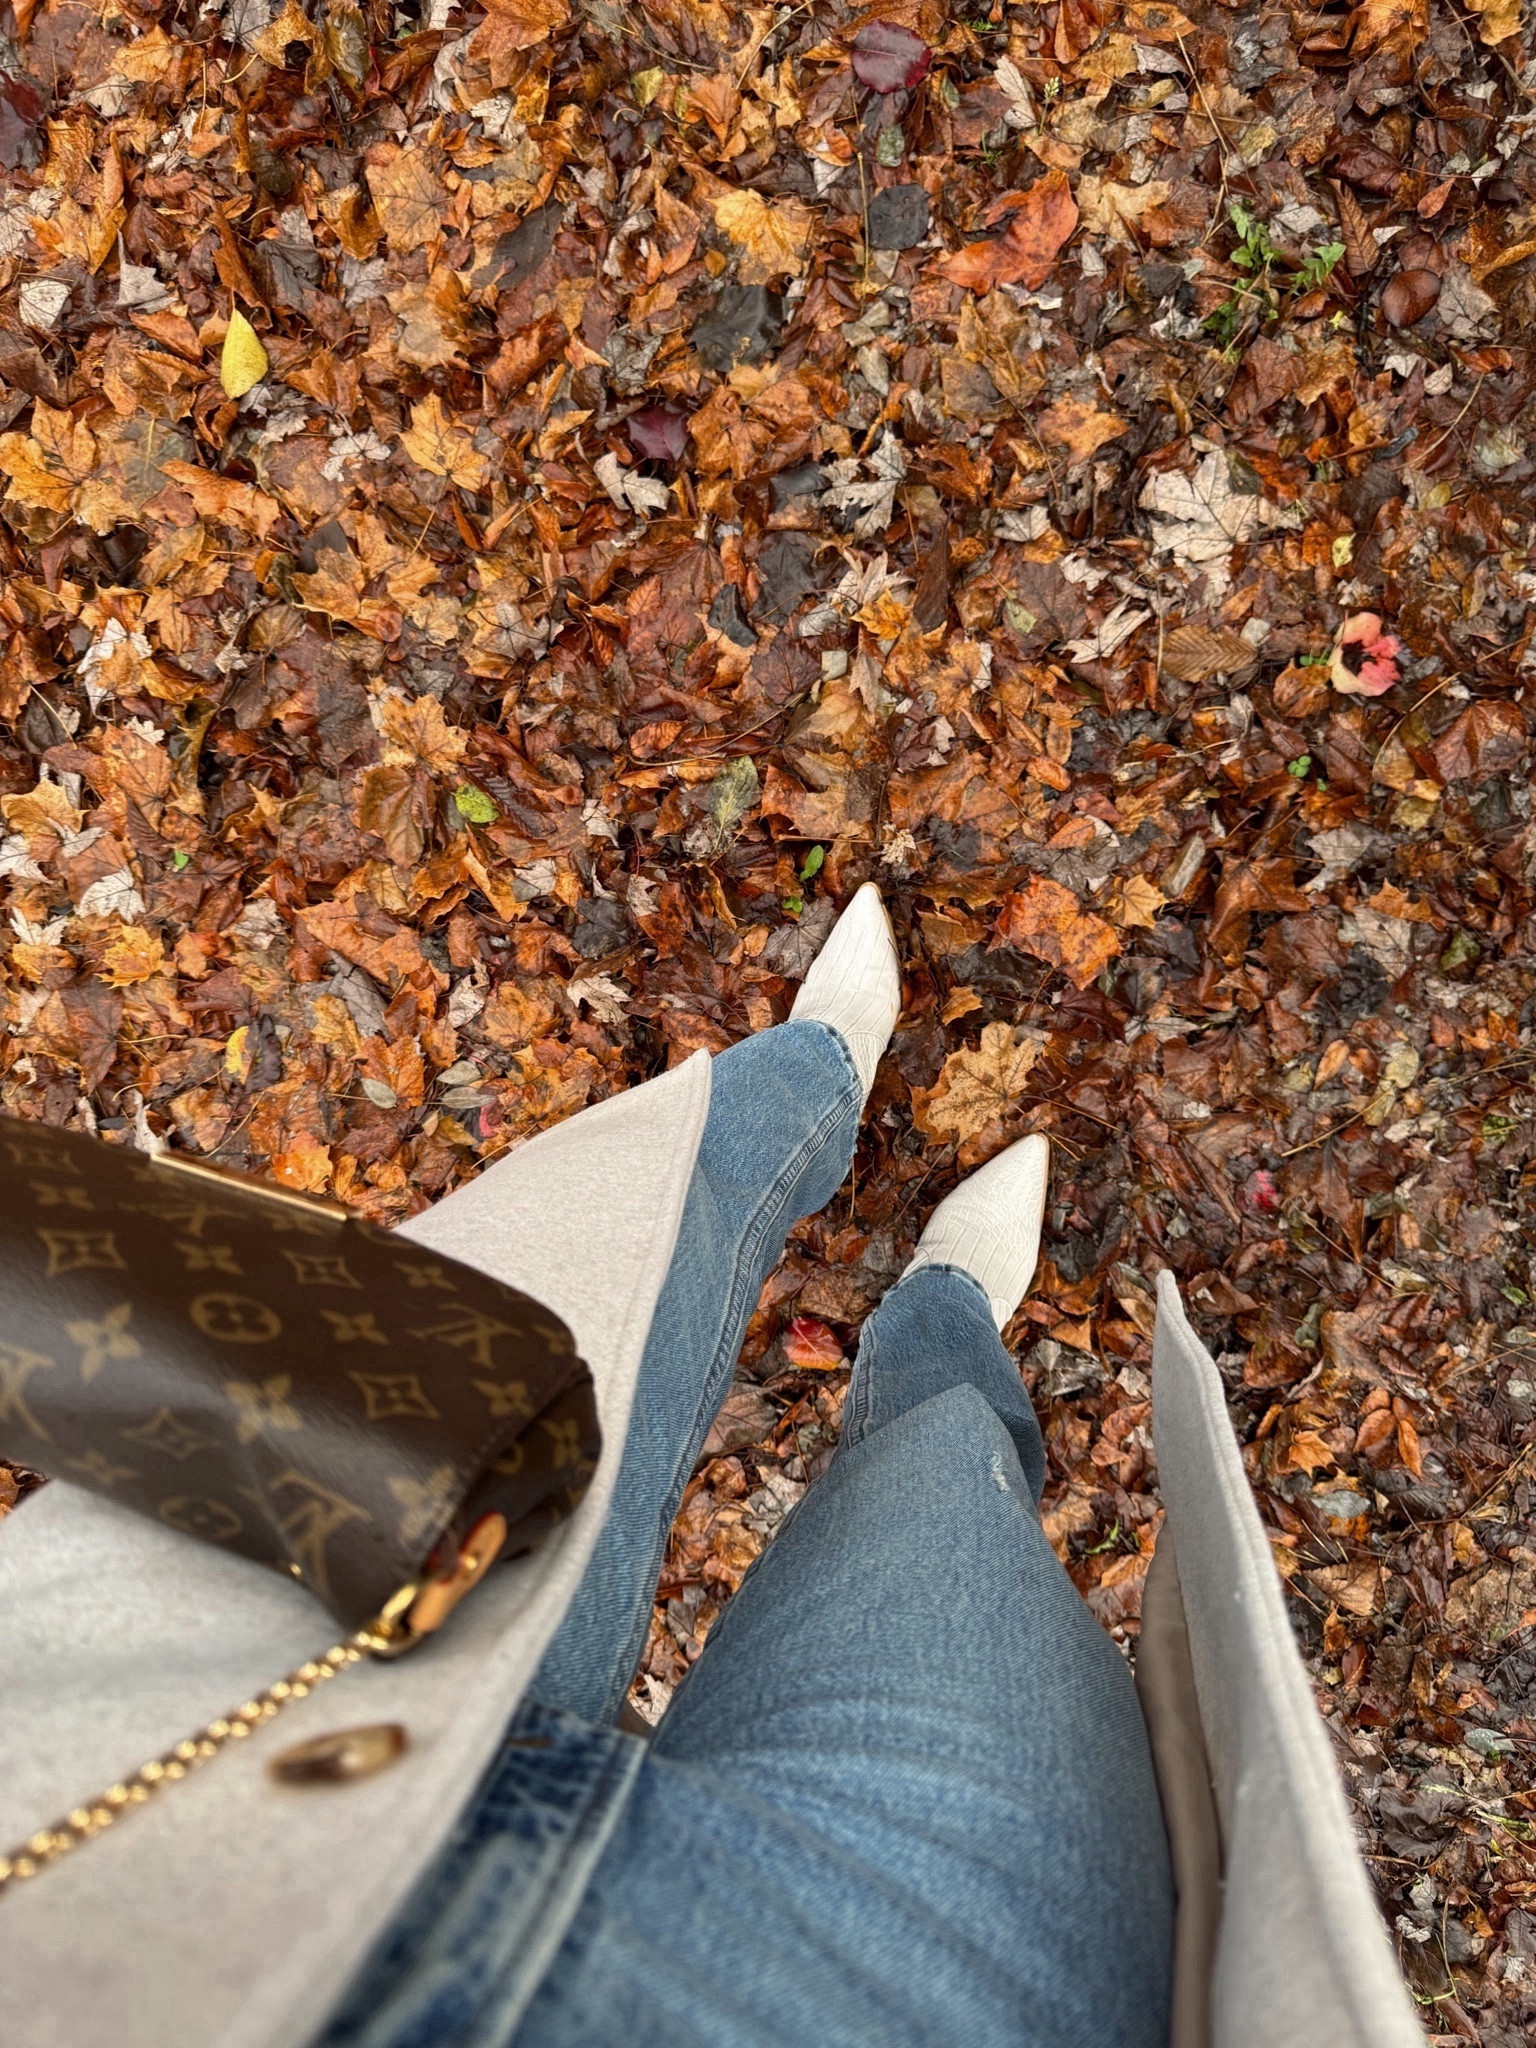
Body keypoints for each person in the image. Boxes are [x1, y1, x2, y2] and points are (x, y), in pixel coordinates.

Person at [0, 887, 1421, 2048]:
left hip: (167, 1770)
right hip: (885, 1999)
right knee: (948, 1480)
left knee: (635, 1237)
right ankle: (941, 1318)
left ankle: (807, 1082)